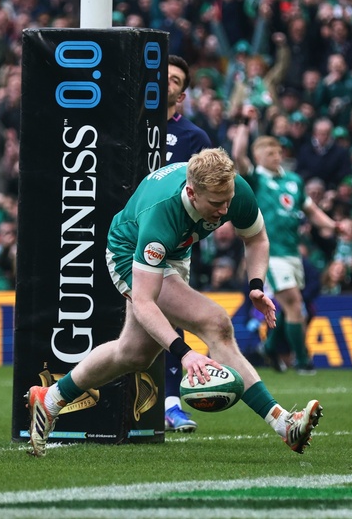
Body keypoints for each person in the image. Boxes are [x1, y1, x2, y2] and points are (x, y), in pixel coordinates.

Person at [26, 148, 323, 458]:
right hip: (129, 252)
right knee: (216, 323)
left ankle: (49, 400)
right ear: (192, 193)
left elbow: (256, 238)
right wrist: (184, 353)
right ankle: (283, 424)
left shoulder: (234, 190)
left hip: (177, 251)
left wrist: (257, 285)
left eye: (228, 200)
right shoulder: (161, 214)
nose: (225, 211)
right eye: (216, 204)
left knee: (134, 353)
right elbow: (144, 300)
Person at [233, 130, 337, 375]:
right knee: (294, 304)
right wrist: (245, 125)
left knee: (286, 304)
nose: (276, 156)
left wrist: (333, 225)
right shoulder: (256, 178)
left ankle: (269, 347)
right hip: (270, 251)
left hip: (293, 252)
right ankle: (302, 360)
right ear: (258, 156)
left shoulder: (294, 180)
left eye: (279, 152)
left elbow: (311, 211)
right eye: (270, 153)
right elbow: (238, 154)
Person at [162, 55, 213, 434]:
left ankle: (169, 403)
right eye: (163, 76)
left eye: (175, 79)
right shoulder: (130, 124)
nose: (167, 82)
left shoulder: (194, 138)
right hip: (123, 237)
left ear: (182, 94)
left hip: (169, 244)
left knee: (170, 320)